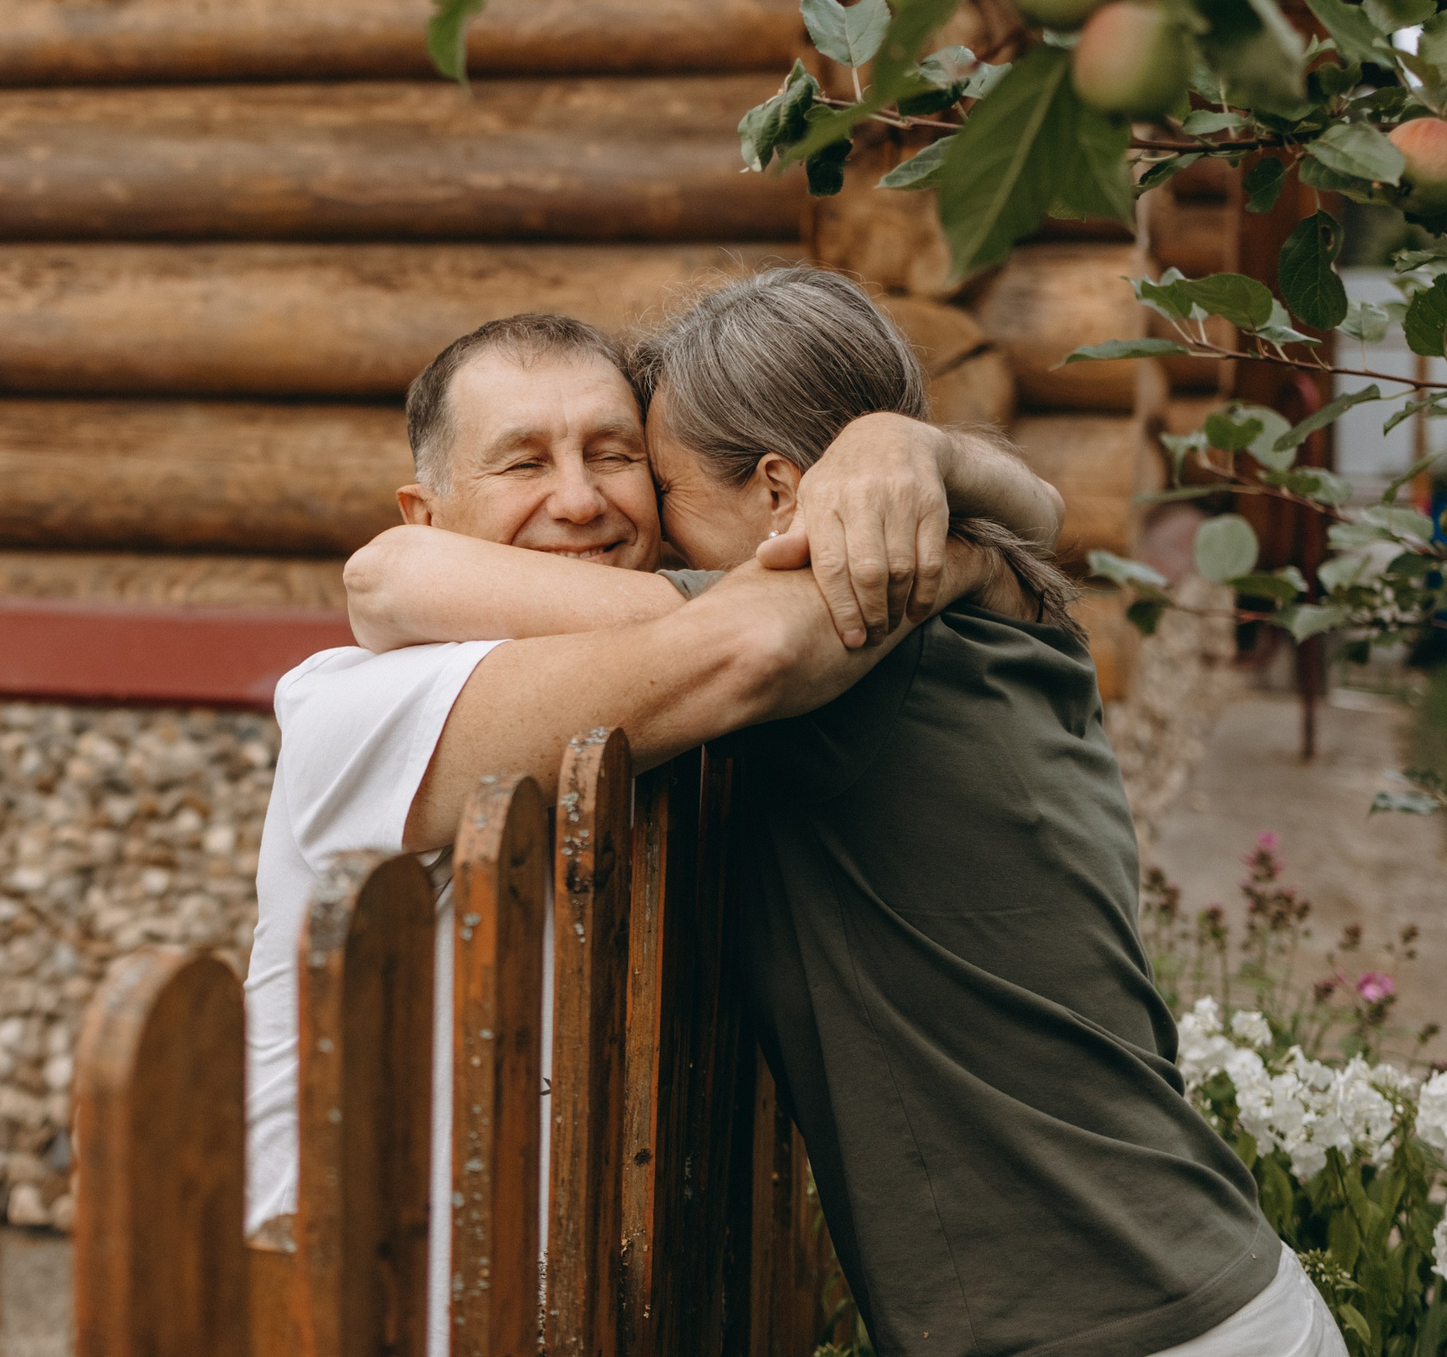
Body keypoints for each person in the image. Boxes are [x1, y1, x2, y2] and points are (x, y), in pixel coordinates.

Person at [347, 266, 1339, 1357]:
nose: (647, 527)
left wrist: (911, 458)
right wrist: (925, 454)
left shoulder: (837, 640)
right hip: (1207, 1290)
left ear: (781, 493)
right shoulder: (994, 607)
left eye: (660, 486)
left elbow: (391, 579)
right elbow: (1037, 508)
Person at [243, 307, 1061, 1353]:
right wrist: (953, 566)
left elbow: (1039, 514)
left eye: (613, 452)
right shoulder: (358, 703)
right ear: (426, 513)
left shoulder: (693, 705)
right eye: (522, 462)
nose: (579, 499)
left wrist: (916, 453)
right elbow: (748, 643)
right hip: (377, 1311)